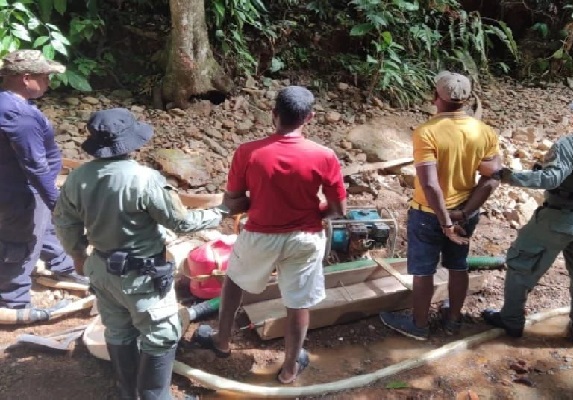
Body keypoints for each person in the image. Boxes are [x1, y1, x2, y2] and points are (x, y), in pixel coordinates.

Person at [53, 108, 229, 399]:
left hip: (102, 267)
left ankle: (127, 391)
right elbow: (180, 222)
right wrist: (221, 212)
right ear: (132, 143)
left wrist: (78, 256)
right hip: (141, 275)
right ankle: (154, 396)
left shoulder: (78, 177)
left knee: (118, 329)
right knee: (162, 335)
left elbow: (64, 222)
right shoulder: (145, 179)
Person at [193, 85, 347, 384]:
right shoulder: (324, 155)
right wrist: (315, 212)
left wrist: (258, 202)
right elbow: (339, 208)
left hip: (259, 235)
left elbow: (232, 202)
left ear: (273, 115)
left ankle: (221, 341)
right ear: (310, 118)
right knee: (298, 301)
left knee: (235, 281)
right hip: (306, 237)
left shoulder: (248, 152)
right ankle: (290, 368)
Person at [380, 71, 501, 340]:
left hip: (428, 214)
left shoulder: (427, 132)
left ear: (436, 97)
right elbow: (492, 179)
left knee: (423, 271)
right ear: (467, 99)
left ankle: (419, 326)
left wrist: (445, 221)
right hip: (465, 213)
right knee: (458, 264)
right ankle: (453, 319)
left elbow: (431, 184)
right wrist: (463, 213)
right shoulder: (484, 131)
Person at [483, 89, 573, 346]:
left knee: (521, 263)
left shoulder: (572, 144)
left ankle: (511, 320)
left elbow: (550, 179)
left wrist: (506, 175)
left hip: (561, 218)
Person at [0, 49, 86, 313]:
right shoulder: (19, 116)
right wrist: (57, 204)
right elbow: (35, 166)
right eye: (45, 76)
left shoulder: (9, 103)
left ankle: (62, 266)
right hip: (19, 194)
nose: (49, 82)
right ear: (26, 78)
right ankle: (14, 301)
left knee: (45, 228)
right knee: (21, 244)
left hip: (17, 188)